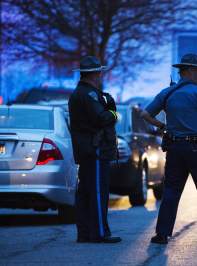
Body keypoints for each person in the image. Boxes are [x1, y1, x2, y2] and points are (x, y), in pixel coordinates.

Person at [140, 53, 197, 245]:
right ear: (189, 71)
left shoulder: (167, 93)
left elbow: (145, 114)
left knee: (171, 191)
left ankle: (162, 234)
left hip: (174, 149)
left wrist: (163, 127)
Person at [68, 56, 121, 243]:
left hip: (87, 149)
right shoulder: (89, 95)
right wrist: (113, 113)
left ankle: (84, 233)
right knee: (98, 192)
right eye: (100, 73)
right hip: (96, 149)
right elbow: (103, 119)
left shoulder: (79, 93)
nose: (102, 76)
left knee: (85, 193)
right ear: (92, 76)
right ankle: (100, 233)